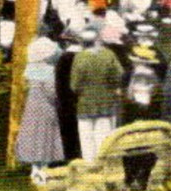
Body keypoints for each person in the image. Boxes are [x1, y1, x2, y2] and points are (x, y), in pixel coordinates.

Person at [69, 27, 124, 160]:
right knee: (104, 139)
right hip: (106, 103)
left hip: (85, 104)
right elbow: (119, 74)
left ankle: (90, 168)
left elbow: (74, 86)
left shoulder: (79, 57)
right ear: (96, 40)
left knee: (87, 139)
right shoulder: (108, 54)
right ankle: (104, 166)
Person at [14, 37, 64, 180]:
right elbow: (52, 92)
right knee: (46, 139)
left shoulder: (31, 69)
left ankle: (34, 169)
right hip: (46, 109)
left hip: (32, 108)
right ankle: (42, 172)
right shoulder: (49, 71)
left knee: (34, 138)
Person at [53, 32, 83, 162]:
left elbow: (59, 82)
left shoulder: (64, 59)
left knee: (67, 130)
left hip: (65, 100)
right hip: (81, 99)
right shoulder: (83, 57)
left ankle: (70, 156)